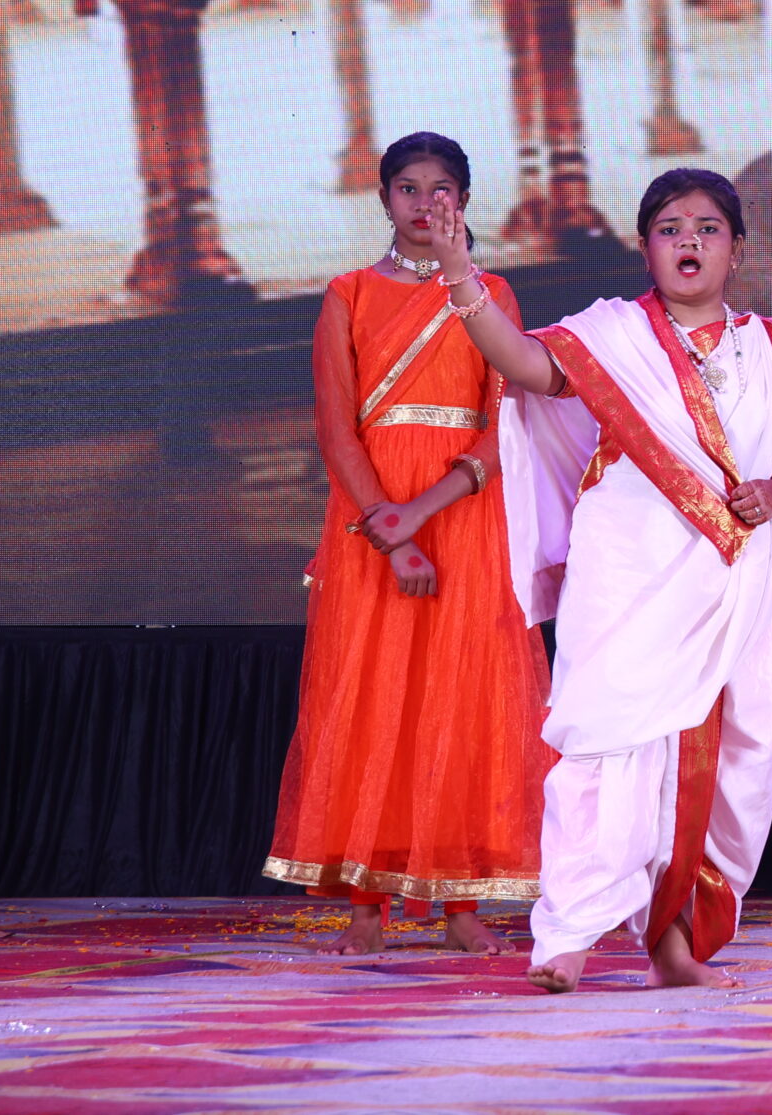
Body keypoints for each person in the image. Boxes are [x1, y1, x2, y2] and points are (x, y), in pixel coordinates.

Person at [422, 166, 772, 993]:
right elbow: (525, 364)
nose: (689, 241)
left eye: (707, 228)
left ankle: (674, 949)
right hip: (628, 566)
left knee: (714, 760)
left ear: (738, 249)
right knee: (604, 741)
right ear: (645, 248)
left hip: (735, 573)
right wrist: (460, 275)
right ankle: (567, 934)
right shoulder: (611, 335)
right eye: (670, 228)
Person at [264, 133, 555, 955]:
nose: (425, 205)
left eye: (441, 189)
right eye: (408, 188)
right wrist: (391, 534)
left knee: (465, 704)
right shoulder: (348, 294)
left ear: (464, 199)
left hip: (464, 514)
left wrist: (422, 512)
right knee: (371, 702)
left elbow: (506, 424)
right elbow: (337, 429)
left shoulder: (491, 293)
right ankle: (366, 904)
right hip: (371, 524)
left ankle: (461, 901)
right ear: (384, 198)